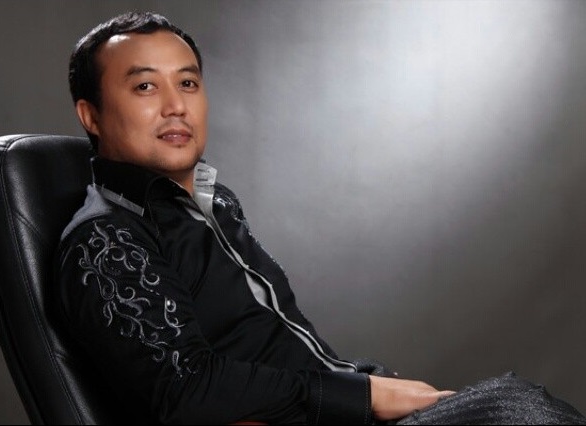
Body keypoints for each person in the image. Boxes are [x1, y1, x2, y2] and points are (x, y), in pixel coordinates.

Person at [54, 10, 586, 425]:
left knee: (512, 401)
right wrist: (364, 395)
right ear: (90, 115)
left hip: (343, 404)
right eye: (146, 86)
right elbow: (186, 387)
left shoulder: (216, 203)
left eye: (188, 83)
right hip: (324, 413)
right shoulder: (107, 240)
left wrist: (369, 387)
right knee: (519, 411)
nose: (176, 106)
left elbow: (276, 343)